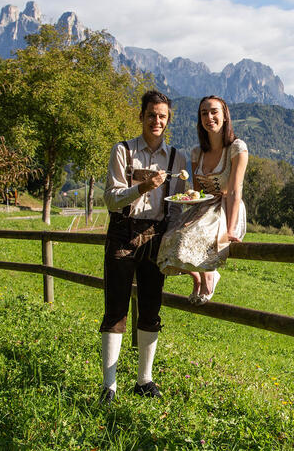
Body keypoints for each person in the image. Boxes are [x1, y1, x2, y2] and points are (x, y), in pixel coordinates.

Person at [98, 90, 187, 405]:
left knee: (151, 310)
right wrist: (141, 188)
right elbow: (110, 197)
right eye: (152, 115)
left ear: (168, 120)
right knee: (116, 309)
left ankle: (144, 380)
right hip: (123, 232)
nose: (157, 121)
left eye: (163, 116)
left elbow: (177, 206)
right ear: (142, 116)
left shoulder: (178, 158)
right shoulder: (122, 151)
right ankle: (109, 386)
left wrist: (177, 240)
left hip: (156, 236)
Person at [158, 95, 248, 304]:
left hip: (226, 209)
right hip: (203, 207)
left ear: (225, 115)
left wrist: (232, 229)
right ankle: (198, 277)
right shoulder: (197, 152)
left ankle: (209, 274)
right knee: (168, 239)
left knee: (187, 238)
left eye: (214, 111)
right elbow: (197, 194)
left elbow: (235, 191)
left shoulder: (237, 148)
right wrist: (189, 212)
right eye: (204, 113)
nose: (209, 117)